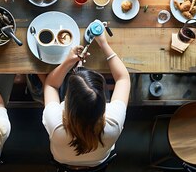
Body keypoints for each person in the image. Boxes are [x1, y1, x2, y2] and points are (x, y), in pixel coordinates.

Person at [42, 33, 130, 168]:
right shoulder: (114, 122)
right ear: (102, 104)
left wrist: (68, 62)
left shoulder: (56, 124)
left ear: (67, 102)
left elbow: (51, 85)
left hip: (63, 162)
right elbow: (123, 78)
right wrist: (104, 45)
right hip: (98, 162)